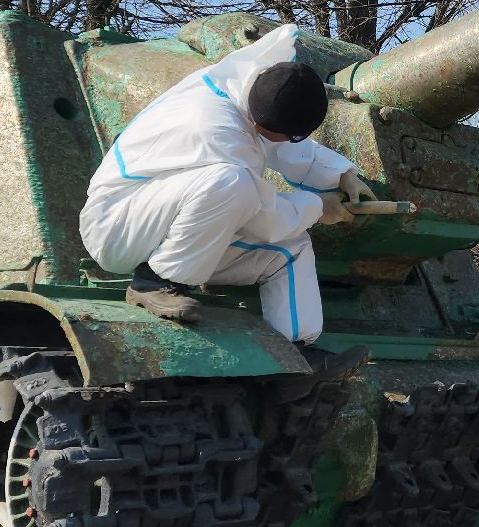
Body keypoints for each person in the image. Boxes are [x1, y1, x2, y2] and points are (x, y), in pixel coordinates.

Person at [78, 24, 374, 344]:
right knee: (231, 183)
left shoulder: (250, 87)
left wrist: (343, 174)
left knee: (291, 248)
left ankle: (296, 351)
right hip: (118, 224)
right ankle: (153, 283)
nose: (289, 141)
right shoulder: (215, 130)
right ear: (263, 123)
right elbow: (264, 218)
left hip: (168, 222)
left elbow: (280, 140)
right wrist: (318, 207)